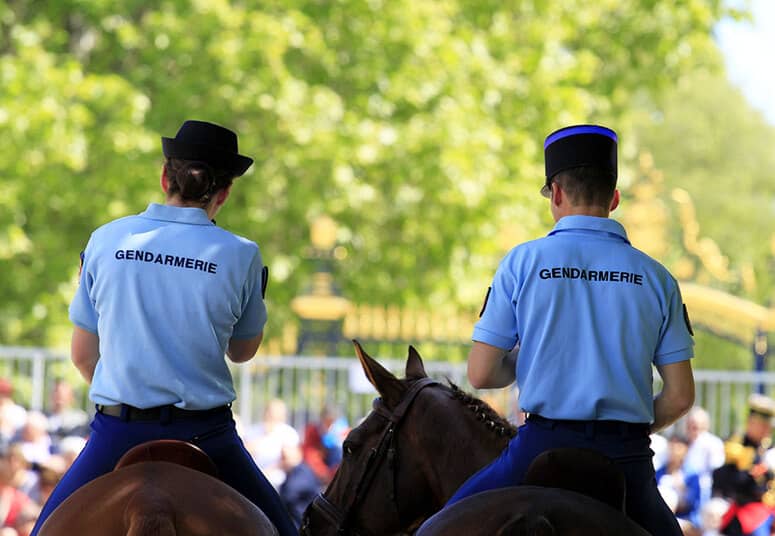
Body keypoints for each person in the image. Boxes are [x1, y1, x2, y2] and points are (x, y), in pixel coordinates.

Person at [30, 119, 296, 536]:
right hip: (207, 432)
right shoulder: (241, 254)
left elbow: (83, 356)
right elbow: (243, 351)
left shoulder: (105, 240)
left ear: (164, 177)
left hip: (117, 431)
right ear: (223, 192)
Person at [444, 124, 696, 535]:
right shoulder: (658, 278)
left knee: (439, 526)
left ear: (556, 194)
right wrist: (632, 426)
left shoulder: (521, 263)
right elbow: (681, 396)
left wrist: (529, 357)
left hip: (540, 447)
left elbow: (482, 373)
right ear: (613, 198)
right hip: (626, 457)